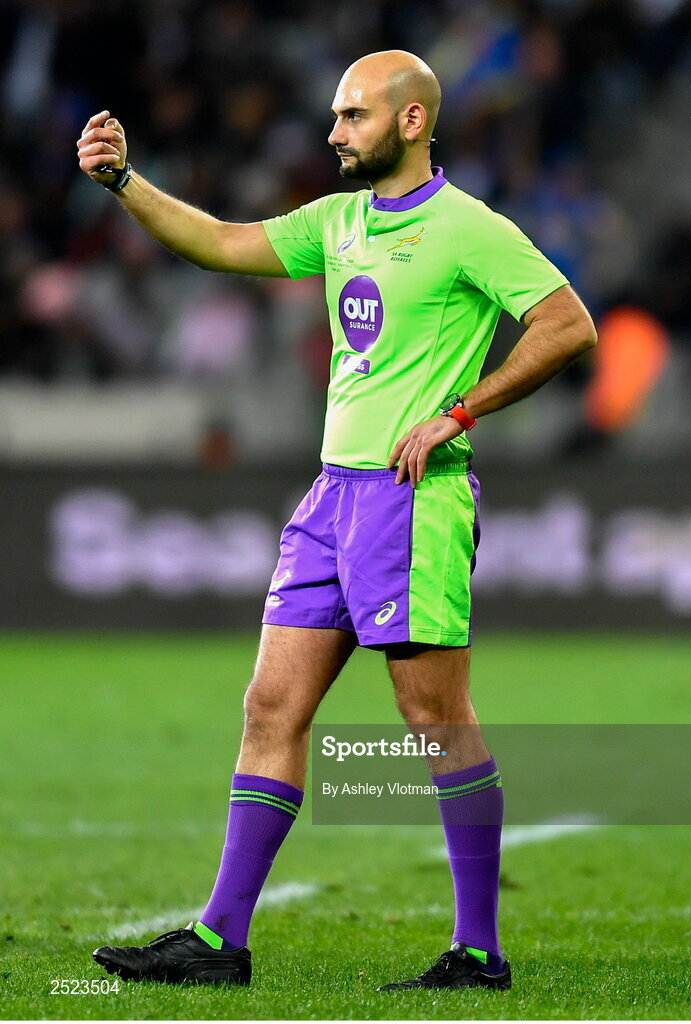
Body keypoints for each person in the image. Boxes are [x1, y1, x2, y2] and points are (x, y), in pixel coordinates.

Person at [78, 50, 596, 991]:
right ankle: (220, 940)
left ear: (408, 122)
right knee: (271, 708)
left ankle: (478, 951)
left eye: (352, 117)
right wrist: (124, 183)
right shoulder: (341, 220)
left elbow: (567, 324)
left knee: (434, 720)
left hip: (413, 502)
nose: (332, 133)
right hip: (329, 499)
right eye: (334, 115)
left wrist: (461, 412)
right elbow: (221, 243)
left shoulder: (467, 229)